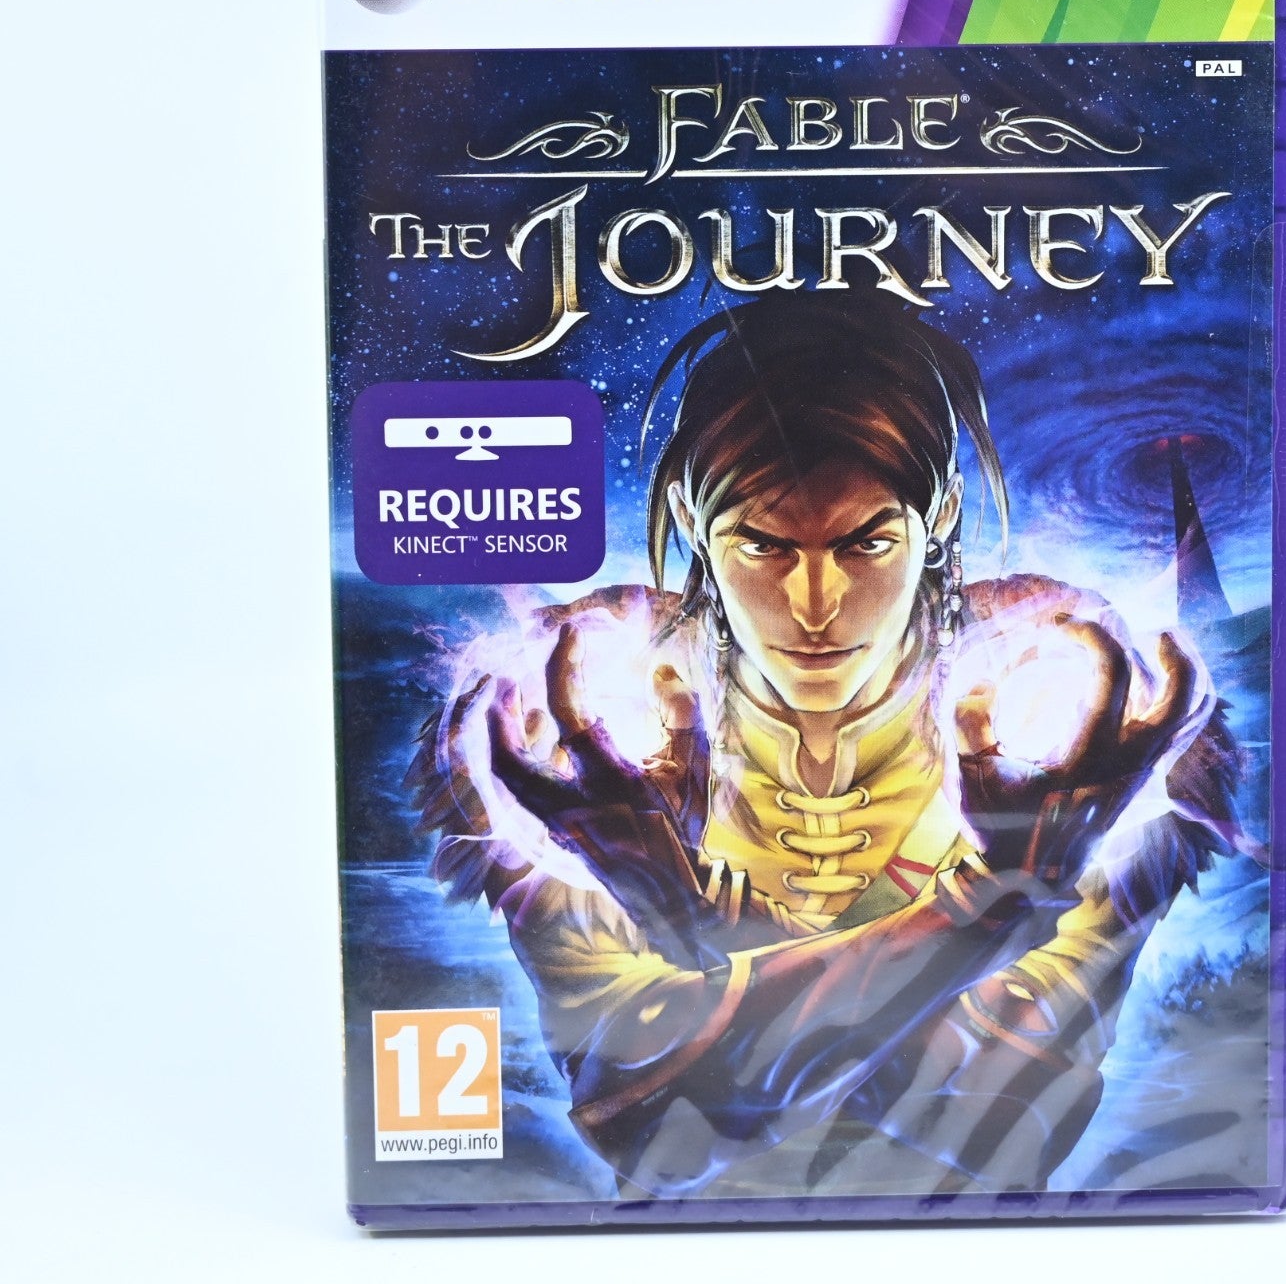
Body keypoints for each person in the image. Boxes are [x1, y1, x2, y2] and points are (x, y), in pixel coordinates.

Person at [412, 292, 1243, 1198]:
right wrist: (1007, 894)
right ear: (691, 520)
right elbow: (656, 1134)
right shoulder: (578, 706)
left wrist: (703, 926)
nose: (815, 605)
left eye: (867, 542)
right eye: (763, 544)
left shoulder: (1075, 694)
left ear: (940, 516)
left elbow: (994, 1126)